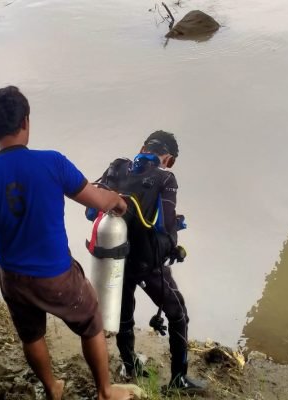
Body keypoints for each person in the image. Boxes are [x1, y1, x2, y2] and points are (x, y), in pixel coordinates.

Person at [0, 85, 133, 400]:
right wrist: (116, 201)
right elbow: (95, 198)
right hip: (56, 275)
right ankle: (106, 391)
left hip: (12, 277)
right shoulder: (53, 163)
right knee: (92, 321)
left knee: (31, 334)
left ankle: (52, 387)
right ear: (26, 122)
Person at [88, 131, 205, 393]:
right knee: (178, 314)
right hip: (147, 262)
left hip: (116, 258)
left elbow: (91, 212)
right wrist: (177, 235)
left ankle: (130, 366)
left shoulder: (117, 167)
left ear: (143, 147)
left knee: (124, 315)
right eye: (170, 161)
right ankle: (178, 380)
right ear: (169, 159)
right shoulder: (166, 178)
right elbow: (164, 225)